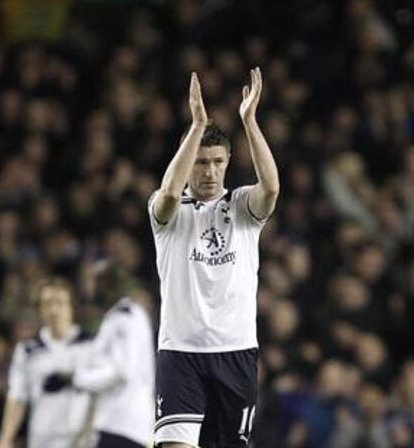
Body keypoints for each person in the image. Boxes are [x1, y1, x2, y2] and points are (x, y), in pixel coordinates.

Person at [149, 68, 280, 447]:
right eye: (201, 162)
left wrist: (250, 121)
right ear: (188, 162)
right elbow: (170, 192)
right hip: (180, 352)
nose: (209, 172)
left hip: (235, 351)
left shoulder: (241, 207)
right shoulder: (166, 213)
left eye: (217, 162)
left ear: (227, 161)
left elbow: (271, 187)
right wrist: (196, 127)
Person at [43, 262, 157, 447]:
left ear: (107, 285)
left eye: (92, 281)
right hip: (121, 424)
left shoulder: (125, 318)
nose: (88, 287)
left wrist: (75, 379)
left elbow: (121, 372)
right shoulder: (120, 317)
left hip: (123, 424)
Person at [0, 278, 95, 448]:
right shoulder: (28, 351)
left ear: (71, 307)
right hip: (43, 438)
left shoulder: (91, 345)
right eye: (47, 303)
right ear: (39, 310)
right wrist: (5, 438)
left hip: (82, 438)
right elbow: (17, 396)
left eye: (60, 303)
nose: (54, 310)